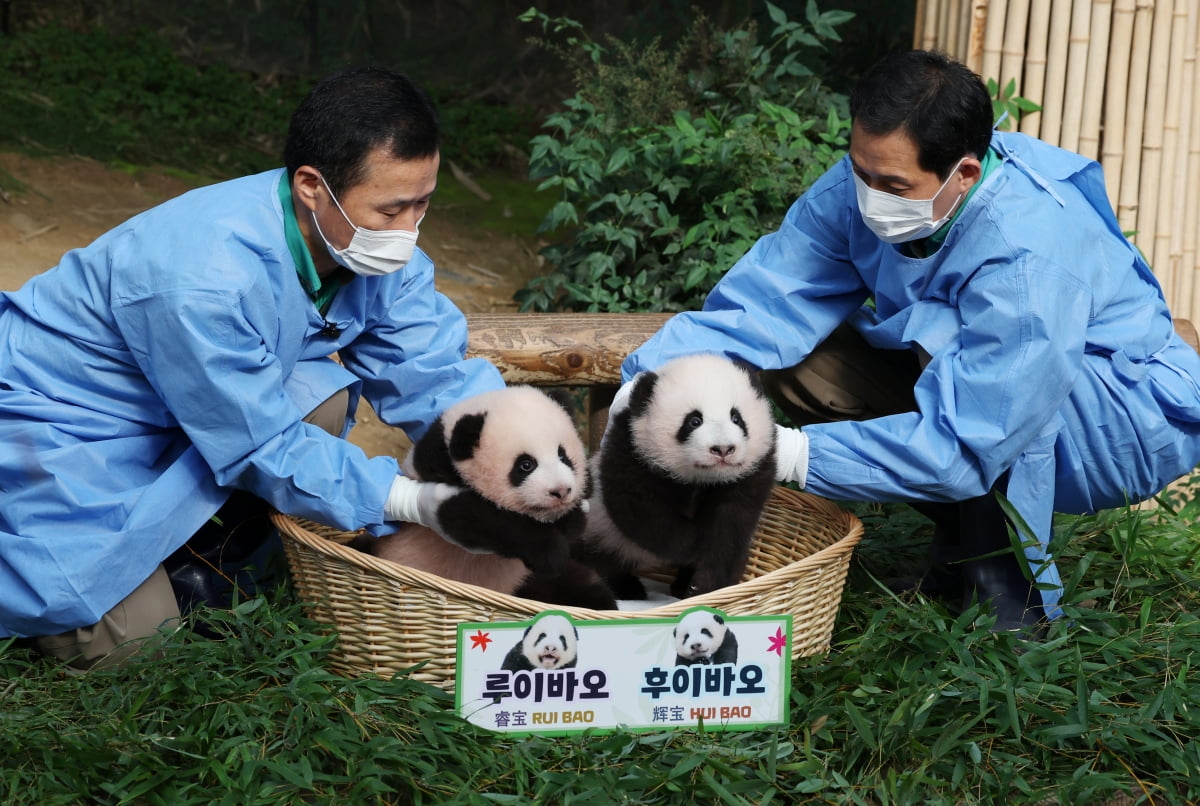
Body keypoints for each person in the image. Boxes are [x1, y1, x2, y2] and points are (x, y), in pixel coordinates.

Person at [619, 49, 1200, 633]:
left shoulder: (1027, 258)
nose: (869, 195)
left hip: (1116, 422)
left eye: (892, 184)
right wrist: (654, 381)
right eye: (860, 171)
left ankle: (1003, 578)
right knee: (805, 361)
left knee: (945, 351)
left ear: (965, 173)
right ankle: (966, 544)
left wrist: (788, 455)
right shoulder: (868, 180)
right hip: (986, 388)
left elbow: (968, 441)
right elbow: (766, 302)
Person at [0, 66, 505, 668]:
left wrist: (508, 459)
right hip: (64, 430)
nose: (408, 231)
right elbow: (263, 443)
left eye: (423, 204)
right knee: (133, 652)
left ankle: (196, 552)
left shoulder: (358, 244)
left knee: (320, 392)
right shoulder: (201, 278)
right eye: (392, 208)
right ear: (312, 187)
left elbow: (431, 370)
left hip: (185, 414)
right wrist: (409, 500)